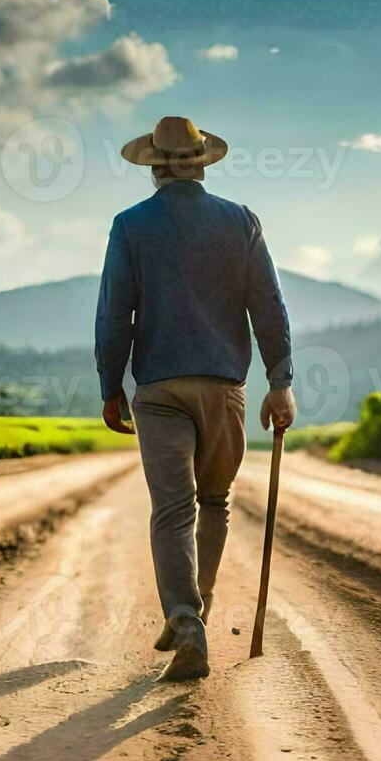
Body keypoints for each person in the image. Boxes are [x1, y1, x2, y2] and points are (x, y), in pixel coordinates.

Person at [95, 116, 297, 683]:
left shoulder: (131, 226)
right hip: (223, 387)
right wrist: (280, 381)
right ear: (202, 164)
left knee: (173, 509)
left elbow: (116, 313)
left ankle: (186, 622)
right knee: (213, 500)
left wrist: (111, 385)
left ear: (154, 167)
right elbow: (269, 305)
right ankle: (197, 606)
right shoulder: (241, 222)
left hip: (158, 390)